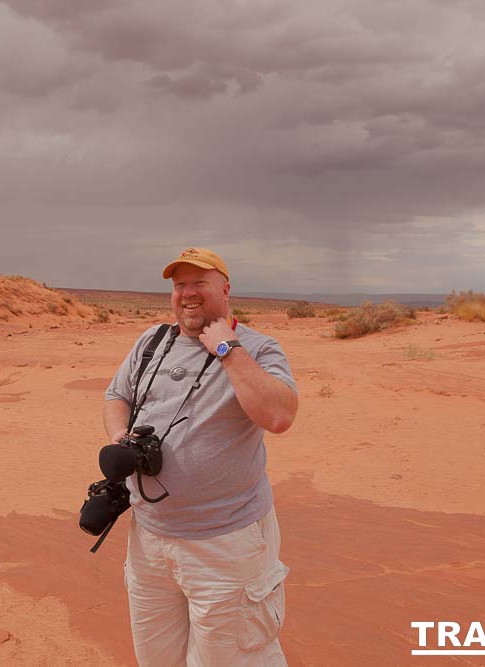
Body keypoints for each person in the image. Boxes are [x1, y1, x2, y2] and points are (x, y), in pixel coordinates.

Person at [104, 247, 298, 666]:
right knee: (157, 658)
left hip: (225, 544)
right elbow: (116, 396)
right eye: (179, 286)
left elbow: (280, 415)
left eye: (199, 284)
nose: (187, 294)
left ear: (225, 289)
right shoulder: (152, 342)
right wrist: (120, 436)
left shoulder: (258, 349)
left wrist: (228, 348)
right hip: (149, 541)